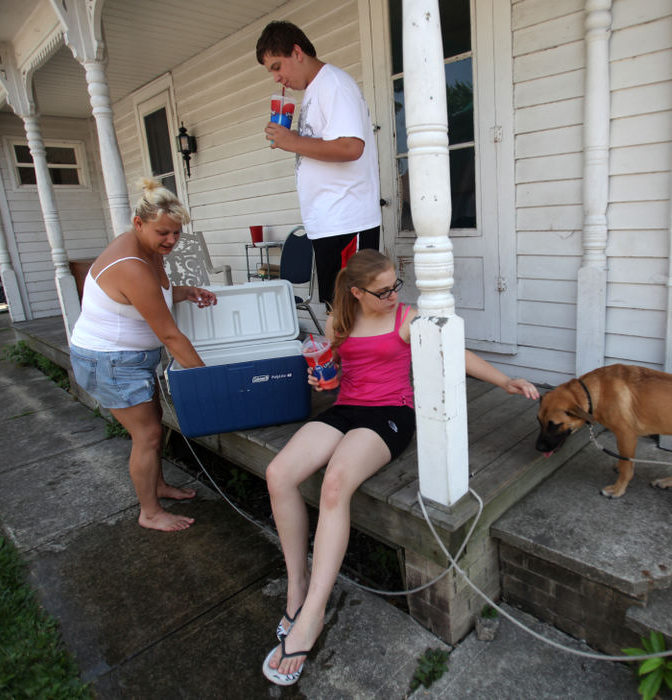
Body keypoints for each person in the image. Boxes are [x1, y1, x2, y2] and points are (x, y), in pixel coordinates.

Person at [261, 250, 540, 686]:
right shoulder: (340, 318)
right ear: (356, 292)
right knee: (279, 474)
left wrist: (505, 380)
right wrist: (320, 379)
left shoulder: (407, 318)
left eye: (396, 286)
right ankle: (297, 588)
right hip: (347, 409)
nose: (393, 295)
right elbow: (330, 367)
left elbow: (455, 352)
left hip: (390, 414)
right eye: (383, 290)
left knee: (335, 484)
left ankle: (312, 614)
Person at [69, 179, 217, 533]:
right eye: (163, 232)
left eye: (177, 233)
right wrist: (209, 382)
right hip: (110, 361)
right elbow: (169, 335)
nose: (171, 240)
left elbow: (151, 296)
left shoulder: (149, 251)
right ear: (138, 224)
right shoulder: (131, 263)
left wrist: (185, 291)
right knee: (147, 435)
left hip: (129, 359)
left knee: (151, 428)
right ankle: (149, 512)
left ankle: (158, 486)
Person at [256, 20, 381, 307]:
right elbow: (328, 144)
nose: (276, 77)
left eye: (277, 66)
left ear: (297, 52)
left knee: (355, 311)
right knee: (337, 309)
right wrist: (294, 138)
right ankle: (342, 354)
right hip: (328, 222)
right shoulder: (315, 89)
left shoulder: (333, 84)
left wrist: (292, 142)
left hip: (347, 219)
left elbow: (351, 147)